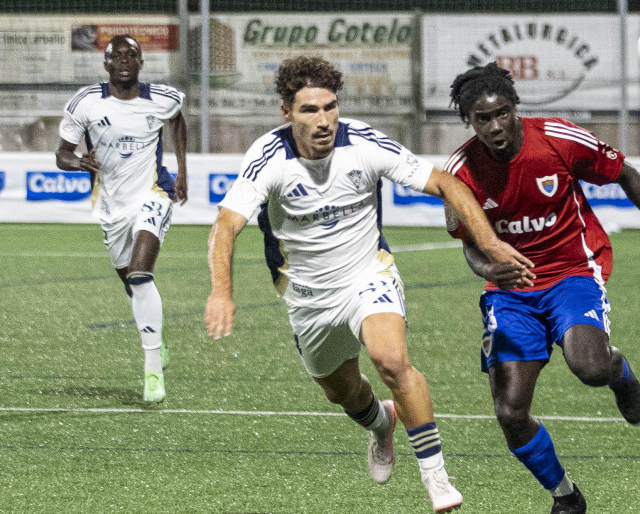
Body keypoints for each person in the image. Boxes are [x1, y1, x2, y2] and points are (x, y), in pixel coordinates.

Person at [204, 55, 531, 513]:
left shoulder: (365, 143)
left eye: (330, 107)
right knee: (341, 392)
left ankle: (437, 478)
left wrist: (491, 243)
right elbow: (225, 225)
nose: (323, 120)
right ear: (286, 112)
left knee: (391, 359)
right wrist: (222, 291)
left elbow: (447, 184)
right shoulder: (268, 157)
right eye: (309, 110)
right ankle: (382, 424)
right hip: (307, 296)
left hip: (367, 273)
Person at [443, 63, 640, 514]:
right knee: (510, 414)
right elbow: (469, 247)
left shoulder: (558, 140)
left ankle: (617, 371)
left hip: (572, 272)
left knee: (589, 367)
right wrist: (490, 268)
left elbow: (627, 175)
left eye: (502, 113)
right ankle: (566, 496)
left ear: (515, 108)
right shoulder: (459, 172)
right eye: (482, 119)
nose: (495, 126)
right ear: (470, 122)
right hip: (510, 292)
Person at [55, 34, 188, 403]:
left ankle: (152, 371)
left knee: (141, 273)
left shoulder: (164, 98)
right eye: (117, 55)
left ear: (142, 62)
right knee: (129, 279)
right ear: (107, 64)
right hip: (111, 205)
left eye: (132, 54)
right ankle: (157, 339)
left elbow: (177, 122)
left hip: (153, 194)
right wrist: (79, 161)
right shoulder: (85, 103)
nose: (125, 60)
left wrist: (182, 171)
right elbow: (61, 154)